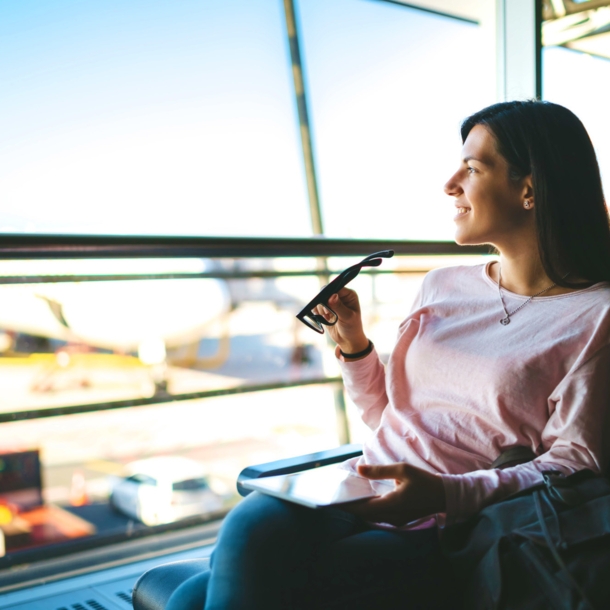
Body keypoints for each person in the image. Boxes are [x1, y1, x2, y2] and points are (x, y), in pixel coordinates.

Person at [200, 100, 610, 610]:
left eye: (474, 168)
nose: (450, 183)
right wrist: (354, 347)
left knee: (213, 588)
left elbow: (577, 464)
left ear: (530, 189)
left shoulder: (596, 316)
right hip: (361, 486)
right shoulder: (442, 285)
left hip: (451, 524)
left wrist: (445, 494)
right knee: (247, 530)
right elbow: (387, 414)